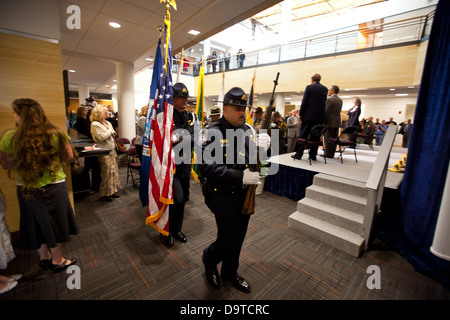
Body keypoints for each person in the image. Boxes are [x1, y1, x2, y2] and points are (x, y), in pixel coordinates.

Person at [199, 87, 270, 293]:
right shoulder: (210, 132)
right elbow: (207, 167)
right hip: (221, 194)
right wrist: (241, 176)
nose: (242, 112)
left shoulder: (248, 130)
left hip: (244, 194)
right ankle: (209, 258)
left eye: (244, 108)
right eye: (238, 108)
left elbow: (257, 160)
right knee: (228, 237)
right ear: (226, 109)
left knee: (239, 236)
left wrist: (265, 148)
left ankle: (230, 272)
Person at [0, 98, 78, 273]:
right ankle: (58, 260)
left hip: (26, 187)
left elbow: (5, 164)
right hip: (54, 185)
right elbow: (70, 156)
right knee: (56, 222)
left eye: (14, 112)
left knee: (34, 222)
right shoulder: (56, 133)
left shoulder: (9, 137)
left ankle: (44, 258)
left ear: (21, 115)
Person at [160, 83, 195, 247]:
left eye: (186, 97)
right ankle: (164, 231)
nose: (184, 100)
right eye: (181, 97)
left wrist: (180, 138)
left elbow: (194, 137)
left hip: (184, 164)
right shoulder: (166, 116)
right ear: (172, 98)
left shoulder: (188, 116)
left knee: (182, 200)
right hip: (170, 165)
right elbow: (165, 140)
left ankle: (176, 229)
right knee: (172, 199)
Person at [292, 73, 328, 160]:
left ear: (312, 80)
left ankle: (298, 154)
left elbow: (304, 102)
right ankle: (313, 155)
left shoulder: (309, 87)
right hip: (320, 117)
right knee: (315, 137)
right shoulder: (325, 89)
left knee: (303, 135)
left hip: (308, 116)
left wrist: (301, 114)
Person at [90, 105, 120, 201]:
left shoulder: (107, 122)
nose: (109, 112)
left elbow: (112, 134)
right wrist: (110, 131)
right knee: (106, 172)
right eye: (106, 110)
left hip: (112, 150)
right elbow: (101, 137)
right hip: (104, 151)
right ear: (100, 112)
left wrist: (110, 131)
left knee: (113, 170)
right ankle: (106, 193)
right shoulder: (95, 124)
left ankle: (113, 190)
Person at [324, 85, 343, 158]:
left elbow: (326, 112)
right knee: (334, 138)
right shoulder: (340, 100)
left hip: (329, 122)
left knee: (328, 138)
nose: (328, 91)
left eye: (329, 90)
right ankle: (332, 153)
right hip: (337, 122)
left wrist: (324, 122)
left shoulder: (329, 100)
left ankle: (327, 153)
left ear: (332, 90)